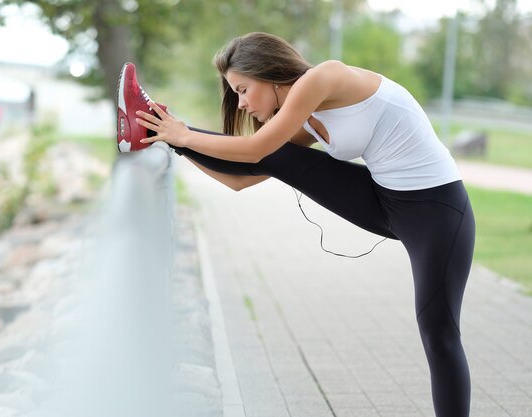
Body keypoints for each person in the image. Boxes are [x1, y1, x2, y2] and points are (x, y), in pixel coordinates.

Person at [122, 32, 475, 417]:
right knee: (279, 154)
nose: (241, 103)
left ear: (270, 75)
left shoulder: (325, 77)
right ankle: (150, 128)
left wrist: (185, 133)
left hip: (438, 210)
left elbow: (256, 148)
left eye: (243, 89)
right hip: (383, 201)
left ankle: (156, 125)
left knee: (438, 331)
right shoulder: (308, 116)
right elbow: (241, 178)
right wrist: (175, 141)